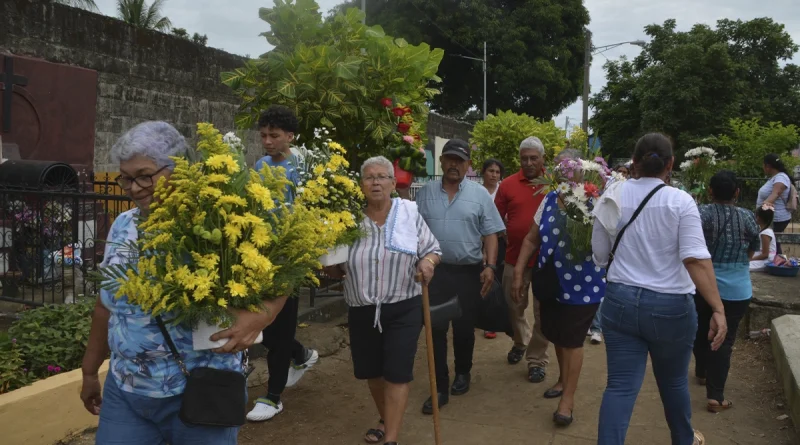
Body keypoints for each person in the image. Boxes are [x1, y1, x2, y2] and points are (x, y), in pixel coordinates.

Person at [80, 121, 283, 444]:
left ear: (178, 168)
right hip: (127, 391)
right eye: (126, 178)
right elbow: (106, 305)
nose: (134, 187)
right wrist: (90, 370)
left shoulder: (218, 218)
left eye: (145, 175)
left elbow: (285, 271)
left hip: (200, 390)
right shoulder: (123, 225)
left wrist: (262, 315)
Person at [592, 133, 728, 445]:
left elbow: (599, 255)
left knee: (620, 386)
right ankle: (684, 439)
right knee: (675, 381)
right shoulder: (680, 201)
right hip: (670, 309)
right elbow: (694, 259)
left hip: (620, 302)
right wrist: (718, 308)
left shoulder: (612, 195)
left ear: (634, 162)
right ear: (671, 164)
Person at [323, 156, 441, 445]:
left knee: (397, 373)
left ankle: (391, 438)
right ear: (361, 184)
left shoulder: (408, 213)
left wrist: (427, 263)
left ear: (392, 182)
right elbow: (334, 267)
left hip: (403, 305)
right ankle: (387, 418)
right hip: (362, 306)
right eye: (369, 177)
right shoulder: (348, 219)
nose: (375, 182)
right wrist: (330, 265)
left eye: (382, 177)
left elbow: (432, 249)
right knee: (373, 373)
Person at [511, 149, 603, 427]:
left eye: (569, 166)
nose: (564, 171)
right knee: (559, 336)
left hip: (584, 284)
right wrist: (518, 272)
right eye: (560, 166)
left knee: (573, 338)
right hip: (552, 281)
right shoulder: (550, 199)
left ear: (582, 170)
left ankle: (568, 401)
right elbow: (531, 238)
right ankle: (563, 381)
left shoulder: (596, 200)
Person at [415, 138, 505, 414]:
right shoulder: (425, 193)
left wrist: (490, 266)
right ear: (441, 161)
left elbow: (491, 234)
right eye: (449, 159)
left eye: (460, 160)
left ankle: (463, 372)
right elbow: (413, 230)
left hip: (468, 272)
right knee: (436, 330)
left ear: (468, 165)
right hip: (435, 273)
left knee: (465, 327)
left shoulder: (479, 195)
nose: (454, 164)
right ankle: (439, 387)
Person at [247, 105, 319, 422]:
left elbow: (313, 209)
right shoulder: (260, 165)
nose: (267, 141)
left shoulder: (302, 167)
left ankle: (273, 396)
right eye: (263, 135)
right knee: (268, 325)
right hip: (261, 255)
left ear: (290, 136)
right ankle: (301, 354)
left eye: (274, 135)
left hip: (292, 256)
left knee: (280, 323)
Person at [695, 170, 760, 414]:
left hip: (702, 284)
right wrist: (738, 264)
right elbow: (754, 246)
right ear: (737, 193)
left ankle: (701, 372)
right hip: (737, 289)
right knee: (724, 340)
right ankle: (716, 396)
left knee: (702, 329)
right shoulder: (747, 216)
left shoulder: (701, 214)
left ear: (710, 191)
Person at [493, 137, 550, 381]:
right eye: (524, 158)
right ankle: (520, 340)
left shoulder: (555, 184)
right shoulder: (507, 185)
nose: (528, 162)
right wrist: (503, 231)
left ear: (542, 159)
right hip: (513, 258)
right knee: (513, 305)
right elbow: (494, 218)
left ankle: (536, 359)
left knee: (543, 313)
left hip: (546, 261)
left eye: (533, 158)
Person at [481, 158, 504, 339]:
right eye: (491, 171)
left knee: (496, 280)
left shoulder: (503, 191)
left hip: (500, 240)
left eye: (497, 172)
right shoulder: (476, 192)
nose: (494, 175)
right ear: (483, 172)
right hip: (476, 241)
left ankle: (492, 321)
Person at [757, 154, 793, 254]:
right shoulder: (775, 177)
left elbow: (776, 193)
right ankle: (778, 263)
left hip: (775, 218)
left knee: (773, 242)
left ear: (767, 166)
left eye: (763, 165)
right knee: (774, 242)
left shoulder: (781, 177)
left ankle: (778, 263)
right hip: (771, 217)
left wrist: (765, 204)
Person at [750, 204, 777, 271]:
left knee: (742, 267)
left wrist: (750, 259)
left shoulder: (765, 233)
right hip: (762, 258)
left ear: (759, 218)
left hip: (766, 261)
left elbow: (765, 255)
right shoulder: (763, 231)